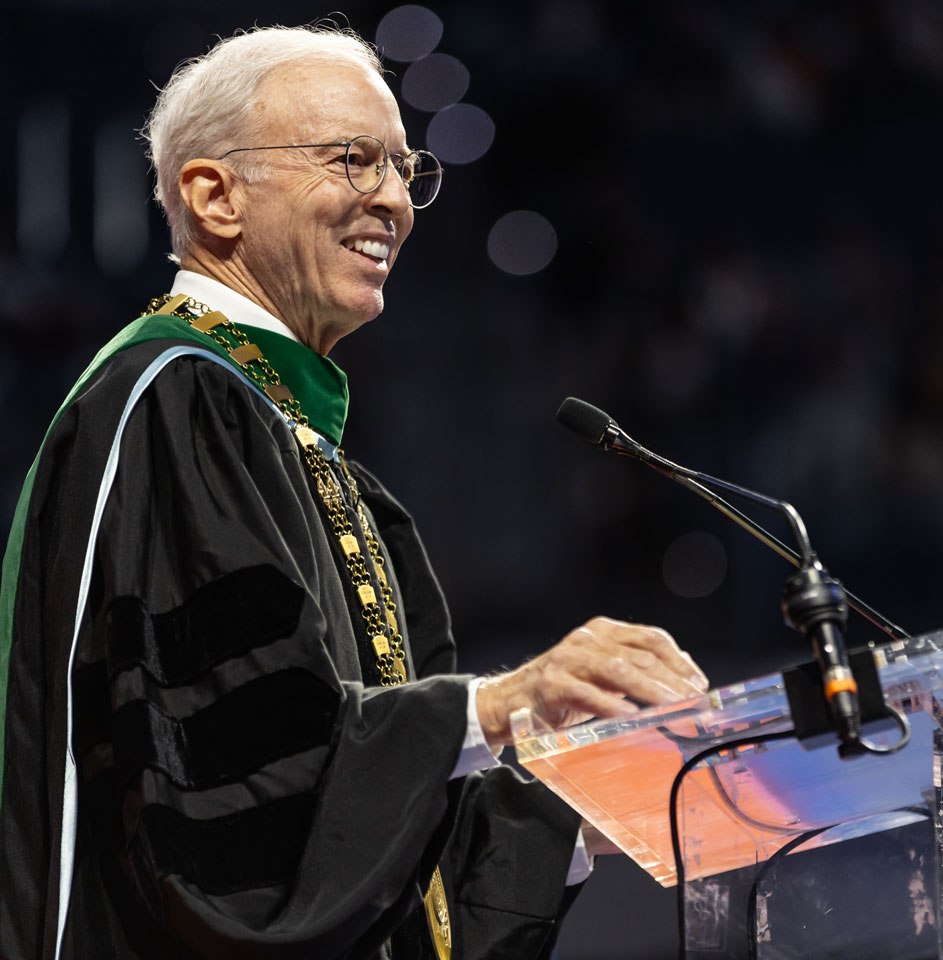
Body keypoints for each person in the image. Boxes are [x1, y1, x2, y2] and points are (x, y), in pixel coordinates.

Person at [0, 24, 708, 960]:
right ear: (213, 196)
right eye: (352, 160)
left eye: (405, 168)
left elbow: (349, 843)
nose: (395, 201)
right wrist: (497, 706)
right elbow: (230, 799)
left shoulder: (310, 455)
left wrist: (577, 790)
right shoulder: (176, 397)